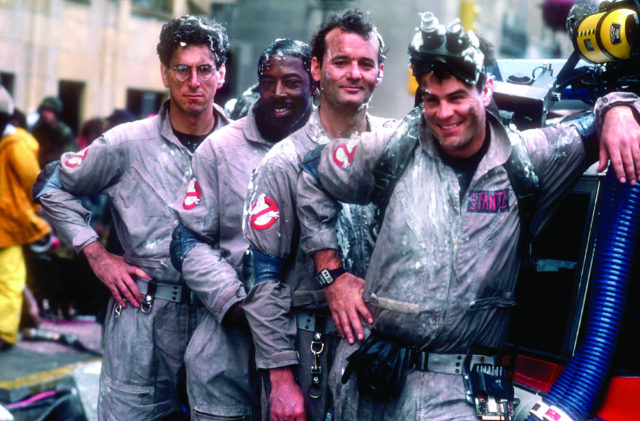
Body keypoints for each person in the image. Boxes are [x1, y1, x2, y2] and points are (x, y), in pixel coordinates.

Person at [295, 11, 640, 420]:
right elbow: (311, 175)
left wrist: (618, 107)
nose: (444, 114)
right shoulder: (392, 148)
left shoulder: (530, 159)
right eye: (431, 100)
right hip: (372, 379)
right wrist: (331, 275)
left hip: (460, 392)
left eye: (457, 97)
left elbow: (603, 120)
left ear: (486, 90)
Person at [32, 15, 229, 419]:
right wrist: (97, 254)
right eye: (182, 69)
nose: (194, 81)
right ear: (164, 73)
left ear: (221, 74)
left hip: (221, 324)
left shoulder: (242, 147)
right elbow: (50, 186)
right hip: (143, 318)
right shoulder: (127, 142)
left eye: (204, 69)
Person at [242, 9, 395, 421]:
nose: (353, 74)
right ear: (316, 67)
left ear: (380, 72)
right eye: (341, 61)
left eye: (365, 64)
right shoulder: (283, 163)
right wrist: (280, 381)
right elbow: (263, 279)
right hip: (309, 355)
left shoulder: (397, 150)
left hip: (382, 356)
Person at [170, 38, 315, 420]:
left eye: (291, 82)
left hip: (308, 344)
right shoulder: (219, 150)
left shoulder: (335, 148)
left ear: (314, 80)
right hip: (229, 345)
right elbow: (188, 239)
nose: (278, 93)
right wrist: (235, 304)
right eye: (268, 82)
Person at [0, 86, 51, 350]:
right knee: (9, 279)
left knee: (9, 279)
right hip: (6, 222)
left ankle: (5, 333)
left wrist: (44, 212)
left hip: (7, 224)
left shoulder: (15, 146)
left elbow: (34, 181)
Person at [31, 95, 75, 168]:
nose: (45, 114)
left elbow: (68, 156)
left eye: (49, 111)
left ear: (55, 113)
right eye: (44, 110)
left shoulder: (64, 132)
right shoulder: (37, 129)